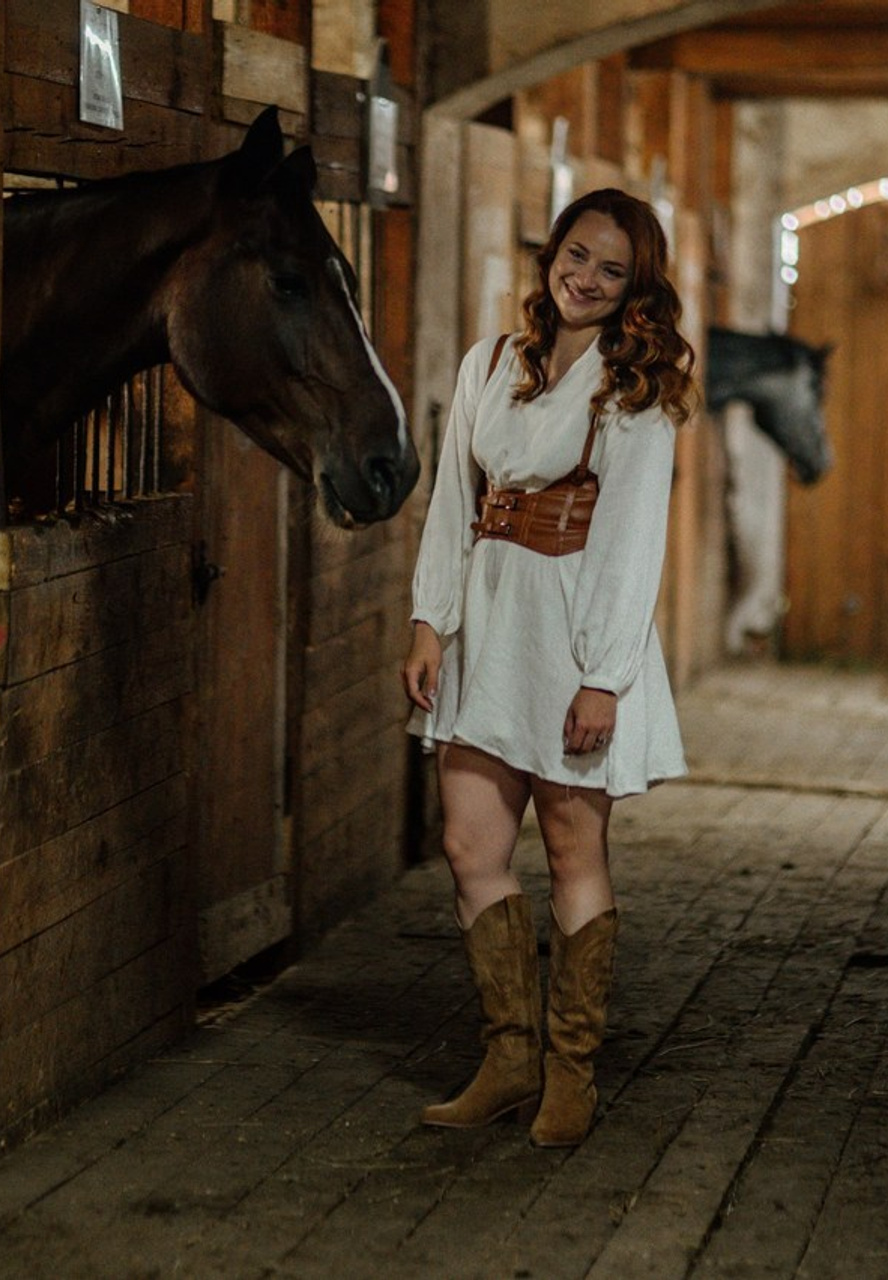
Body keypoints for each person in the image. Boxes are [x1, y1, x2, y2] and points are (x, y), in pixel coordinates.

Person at [400, 188, 695, 1148]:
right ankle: (508, 1057)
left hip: (571, 631)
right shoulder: (494, 361)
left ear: (635, 285)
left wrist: (604, 675)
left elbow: (630, 535)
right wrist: (429, 622)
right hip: (489, 621)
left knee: (573, 853)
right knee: (470, 849)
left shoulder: (630, 384)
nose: (587, 279)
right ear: (551, 254)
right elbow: (454, 497)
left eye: (612, 270)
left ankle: (571, 1074)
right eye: (577, 256)